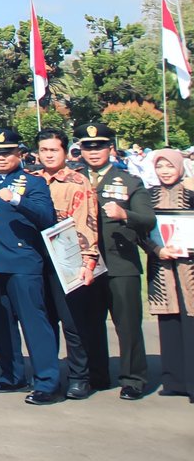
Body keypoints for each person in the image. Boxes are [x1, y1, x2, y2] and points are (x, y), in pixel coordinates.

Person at [0, 127, 63, 405]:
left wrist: (17, 200)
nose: (1, 157)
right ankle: (11, 375)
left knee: (34, 324)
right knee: (1, 323)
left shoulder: (33, 182)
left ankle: (47, 381)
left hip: (23, 262)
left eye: (7, 152)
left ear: (19, 153)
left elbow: (46, 217)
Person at [76, 122, 154, 399]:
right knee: (90, 323)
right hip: (87, 265)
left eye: (99, 146)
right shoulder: (75, 179)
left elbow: (148, 219)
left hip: (120, 262)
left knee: (128, 325)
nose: (93, 151)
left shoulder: (129, 181)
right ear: (80, 149)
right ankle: (97, 375)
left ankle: (133, 379)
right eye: (88, 146)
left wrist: (125, 215)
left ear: (110, 148)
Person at [30, 129, 99, 399]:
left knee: (72, 322)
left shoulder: (77, 182)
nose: (48, 155)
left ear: (65, 151)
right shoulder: (30, 179)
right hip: (37, 259)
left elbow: (87, 223)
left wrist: (88, 261)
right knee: (44, 322)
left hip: (67, 259)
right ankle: (48, 376)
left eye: (54, 150)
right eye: (44, 150)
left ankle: (79, 377)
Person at [146, 147, 194, 402]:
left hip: (190, 267)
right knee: (169, 321)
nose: (164, 171)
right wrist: (157, 250)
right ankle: (174, 381)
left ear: (180, 167)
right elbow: (140, 230)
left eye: (169, 166)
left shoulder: (191, 192)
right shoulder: (149, 195)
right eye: (160, 166)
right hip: (162, 265)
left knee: (191, 321)